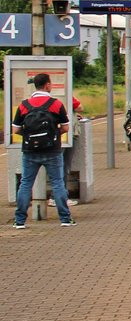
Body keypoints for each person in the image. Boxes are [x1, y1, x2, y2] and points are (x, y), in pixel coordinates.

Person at [11, 72, 74, 228]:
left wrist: (31, 136)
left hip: (30, 151)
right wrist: (53, 134)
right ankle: (65, 219)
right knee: (58, 183)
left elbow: (16, 130)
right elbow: (66, 127)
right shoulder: (56, 104)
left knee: (25, 184)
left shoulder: (24, 105)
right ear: (47, 85)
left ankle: (19, 221)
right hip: (52, 150)